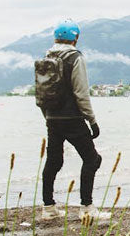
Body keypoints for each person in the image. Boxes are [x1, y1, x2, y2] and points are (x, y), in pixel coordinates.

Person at [39, 19, 111, 222]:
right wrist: (92, 120)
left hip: (51, 117)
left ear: (55, 37)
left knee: (53, 161)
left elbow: (42, 92)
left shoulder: (46, 57)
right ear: (75, 38)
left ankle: (48, 207)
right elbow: (81, 93)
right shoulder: (74, 58)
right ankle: (87, 208)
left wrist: (47, 116)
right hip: (72, 118)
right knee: (92, 159)